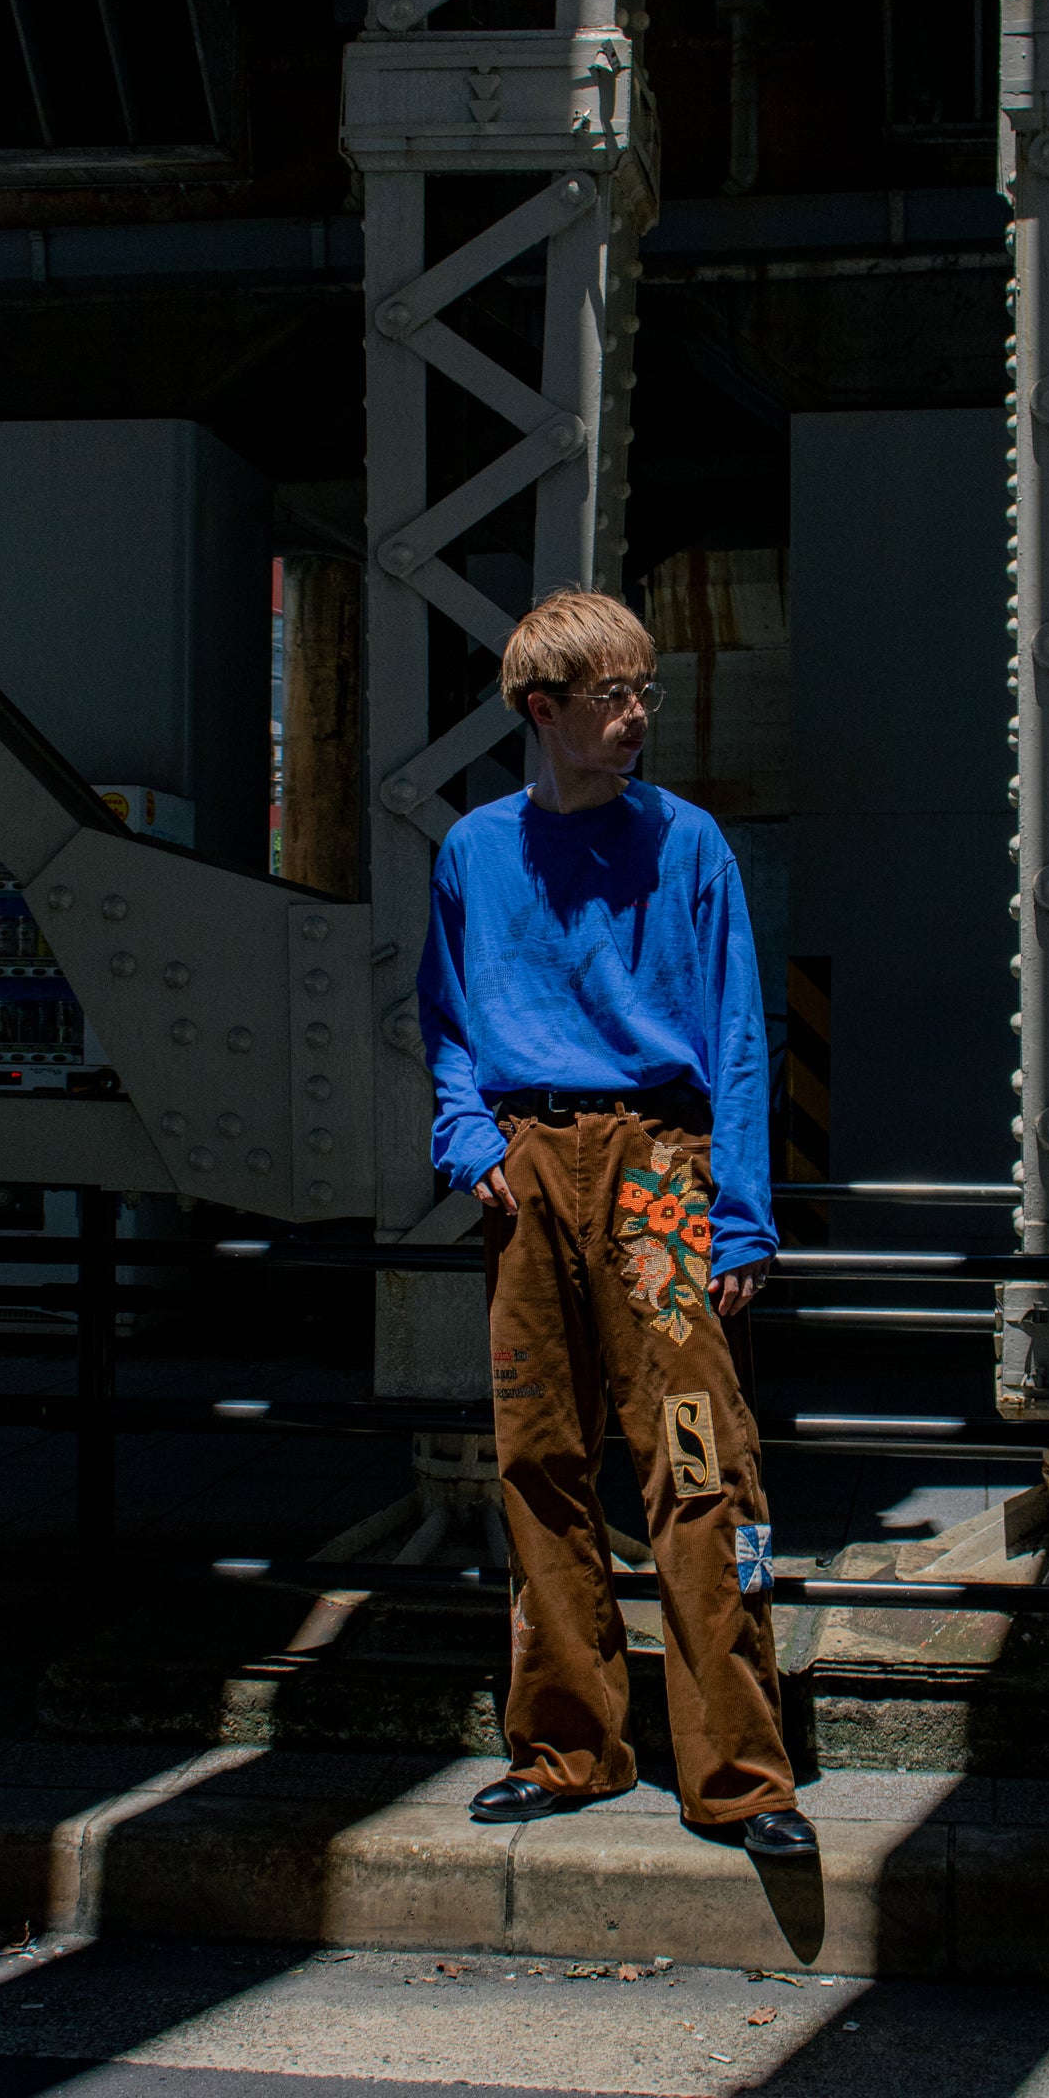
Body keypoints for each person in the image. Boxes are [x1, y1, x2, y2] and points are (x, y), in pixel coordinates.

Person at [416, 588, 816, 1857]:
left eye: (645, 690)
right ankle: (565, 1747)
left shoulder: (688, 843)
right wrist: (465, 1135)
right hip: (525, 1164)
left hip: (657, 1167)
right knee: (537, 1458)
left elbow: (739, 1033)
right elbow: (443, 1016)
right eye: (612, 695)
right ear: (543, 709)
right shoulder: (475, 850)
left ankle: (741, 1775)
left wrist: (739, 1216)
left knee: (699, 1456)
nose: (638, 714)